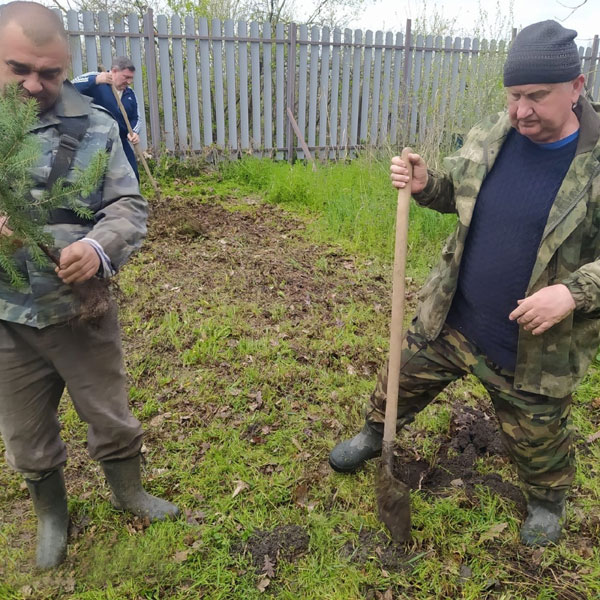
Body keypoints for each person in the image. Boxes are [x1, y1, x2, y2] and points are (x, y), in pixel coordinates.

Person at [329, 20, 600, 547]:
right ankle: (374, 434)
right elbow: (458, 189)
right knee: (398, 381)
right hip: (454, 315)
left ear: (577, 86)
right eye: (513, 95)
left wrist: (573, 292)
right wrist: (428, 183)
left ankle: (547, 499)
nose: (520, 110)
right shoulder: (496, 132)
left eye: (536, 96)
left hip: (533, 348)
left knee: (540, 442)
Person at [0, 2, 178, 570]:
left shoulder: (95, 125)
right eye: (18, 69)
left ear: (69, 66)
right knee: (25, 433)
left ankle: (128, 491)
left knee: (110, 413)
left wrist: (98, 248)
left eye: (50, 73)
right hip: (7, 319)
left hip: (80, 310)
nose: (35, 85)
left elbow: (128, 205)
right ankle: (53, 514)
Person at [73, 57, 141, 181]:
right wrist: (95, 80)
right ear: (114, 71)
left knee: (132, 174)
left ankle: (131, 198)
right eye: (126, 77)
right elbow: (70, 87)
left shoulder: (130, 95)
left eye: (131, 78)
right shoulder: (96, 79)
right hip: (93, 140)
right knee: (95, 177)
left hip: (120, 141)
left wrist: (134, 133)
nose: (129, 82)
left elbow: (136, 118)